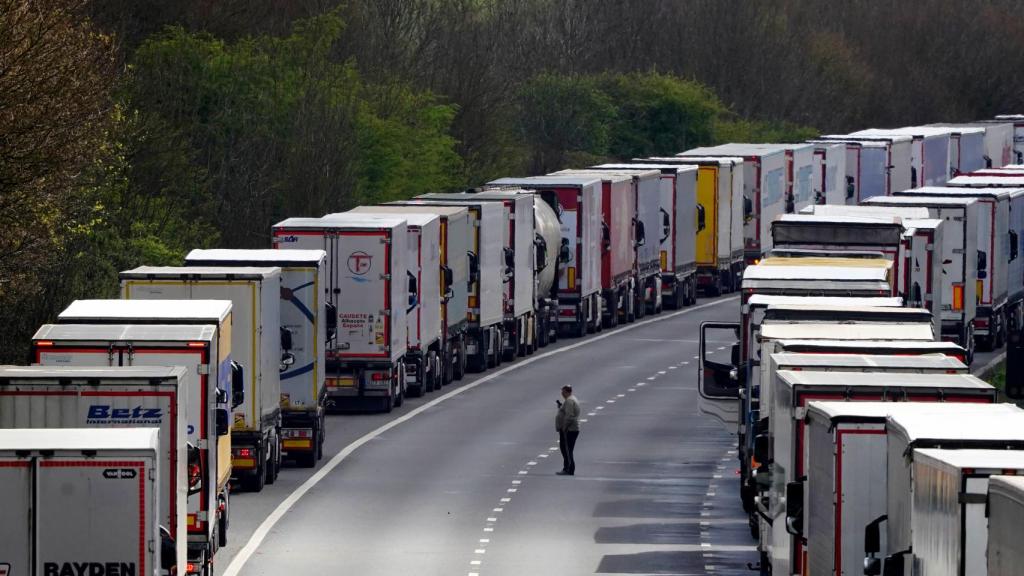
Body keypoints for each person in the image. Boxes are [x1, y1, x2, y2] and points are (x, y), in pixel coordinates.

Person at [555, 385, 580, 476]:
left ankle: (568, 468)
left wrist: (564, 427)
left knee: (567, 450)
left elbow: (569, 416)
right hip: (571, 429)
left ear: (567, 392)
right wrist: (561, 407)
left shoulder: (569, 401)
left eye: (563, 391)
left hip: (569, 429)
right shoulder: (571, 400)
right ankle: (568, 468)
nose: (562, 393)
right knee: (567, 449)